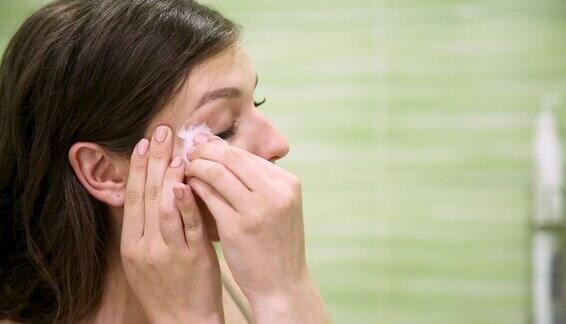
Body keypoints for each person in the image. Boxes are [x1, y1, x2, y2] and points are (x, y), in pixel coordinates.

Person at [0, 0, 329, 323]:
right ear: (102, 171)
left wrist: (287, 287)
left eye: (256, 102)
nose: (278, 143)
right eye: (223, 128)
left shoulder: (246, 278)